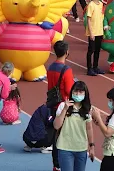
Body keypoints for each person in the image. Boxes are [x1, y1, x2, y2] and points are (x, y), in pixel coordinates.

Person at [53, 81, 95, 171]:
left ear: (85, 94)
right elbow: (56, 126)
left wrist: (91, 146)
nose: (77, 94)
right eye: (75, 91)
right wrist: (65, 109)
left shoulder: (88, 109)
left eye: (81, 92)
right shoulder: (63, 106)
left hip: (81, 148)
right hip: (65, 147)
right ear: (71, 92)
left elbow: (89, 128)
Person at [47, 40, 75, 170]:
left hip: (53, 103)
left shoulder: (51, 67)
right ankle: (62, 164)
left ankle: (56, 165)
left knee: (55, 135)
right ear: (67, 52)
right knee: (64, 136)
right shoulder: (66, 70)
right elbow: (69, 90)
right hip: (63, 105)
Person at [85, 0, 105, 76]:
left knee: (97, 50)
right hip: (93, 31)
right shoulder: (91, 5)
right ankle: (89, 68)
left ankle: (95, 67)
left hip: (99, 31)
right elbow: (88, 19)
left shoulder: (101, 4)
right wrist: (91, 33)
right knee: (91, 50)